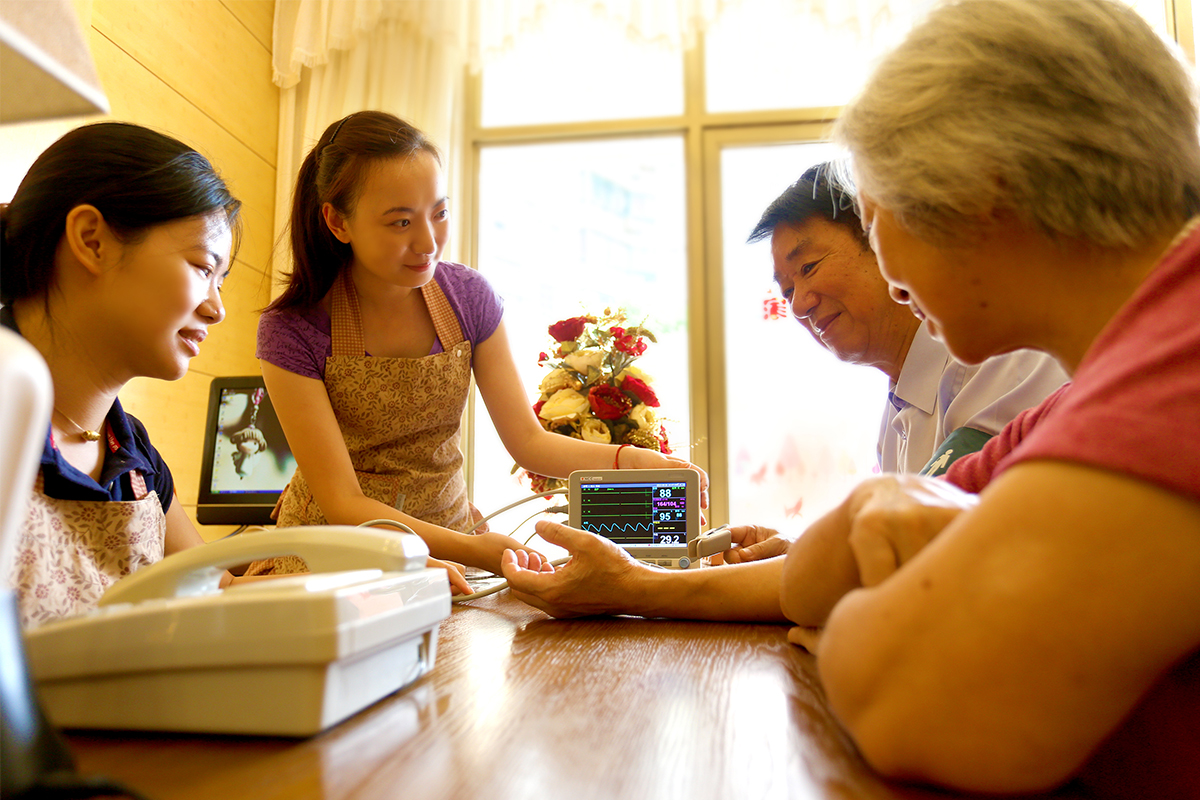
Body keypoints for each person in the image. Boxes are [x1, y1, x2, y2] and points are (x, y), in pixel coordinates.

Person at [507, 2, 1200, 793]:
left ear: (980, 188)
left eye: (880, 213)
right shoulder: (1082, 398)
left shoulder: (1178, 360)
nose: (892, 271)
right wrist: (860, 556)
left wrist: (841, 617)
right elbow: (821, 571)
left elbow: (908, 697)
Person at [256, 111, 705, 578]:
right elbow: (344, 502)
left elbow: (528, 442)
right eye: (401, 222)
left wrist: (631, 462)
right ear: (337, 222)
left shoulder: (468, 299)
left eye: (439, 213)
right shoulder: (293, 329)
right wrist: (476, 550)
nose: (428, 242)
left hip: (448, 540)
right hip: (336, 557)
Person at [721, 163, 1067, 563]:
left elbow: (943, 549)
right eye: (787, 291)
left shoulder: (999, 355)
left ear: (882, 242)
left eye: (809, 268)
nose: (799, 304)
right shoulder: (895, 418)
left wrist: (660, 584)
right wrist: (798, 552)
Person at [1, 122, 244, 628]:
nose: (217, 309)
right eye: (204, 268)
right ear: (92, 241)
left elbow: (221, 595)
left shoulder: (135, 457)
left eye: (220, 281)